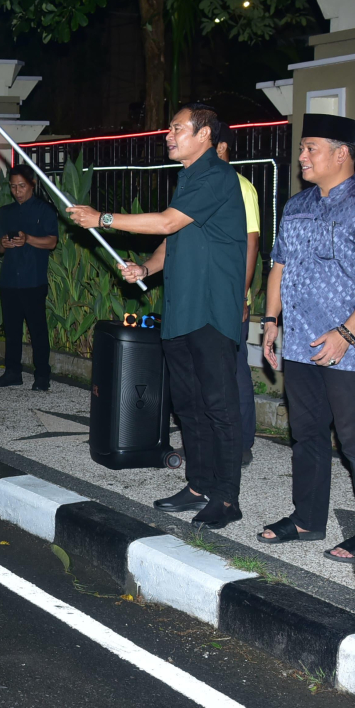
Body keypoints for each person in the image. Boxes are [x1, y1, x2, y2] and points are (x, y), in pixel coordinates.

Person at [68, 103, 246, 529]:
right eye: (170, 128)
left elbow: (167, 223)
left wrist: (102, 218)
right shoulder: (188, 179)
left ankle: (227, 498)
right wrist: (147, 268)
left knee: (218, 406)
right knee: (187, 406)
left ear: (204, 134)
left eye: (177, 128)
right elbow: (175, 237)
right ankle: (199, 485)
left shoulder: (217, 177)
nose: (168, 134)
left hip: (210, 313)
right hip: (181, 312)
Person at [258, 114, 355, 562]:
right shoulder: (296, 206)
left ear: (342, 153)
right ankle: (307, 519)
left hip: (348, 347)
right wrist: (271, 321)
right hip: (299, 342)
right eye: (302, 148)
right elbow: (278, 265)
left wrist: (346, 331)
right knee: (307, 434)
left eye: (310, 148)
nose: (301, 156)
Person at [214, 126, 262, 466]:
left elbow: (252, 243)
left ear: (222, 148)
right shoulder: (198, 185)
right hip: (203, 295)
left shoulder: (240, 187)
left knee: (234, 369)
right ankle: (213, 437)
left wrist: (241, 295)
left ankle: (243, 441)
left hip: (229, 294)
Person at [0, 164, 58, 390]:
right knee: (12, 329)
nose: (17, 191)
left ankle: (42, 375)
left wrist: (28, 238)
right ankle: (12, 372)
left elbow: (52, 241)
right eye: (13, 187)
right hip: (10, 279)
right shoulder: (5, 212)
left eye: (22, 186)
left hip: (33, 279)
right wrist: (4, 244)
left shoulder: (44, 210)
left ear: (32, 184)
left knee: (37, 329)